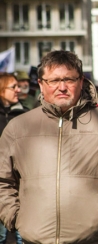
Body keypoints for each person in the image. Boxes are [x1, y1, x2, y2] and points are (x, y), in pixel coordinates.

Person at [0, 50, 98, 243]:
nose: (62, 87)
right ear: (42, 85)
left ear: (81, 82)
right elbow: (3, 180)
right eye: (54, 81)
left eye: (69, 79)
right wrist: (15, 216)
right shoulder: (19, 128)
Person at [0, 73, 26, 244]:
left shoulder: (23, 114)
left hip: (19, 179)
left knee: (22, 232)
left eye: (18, 86)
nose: (18, 90)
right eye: (13, 87)